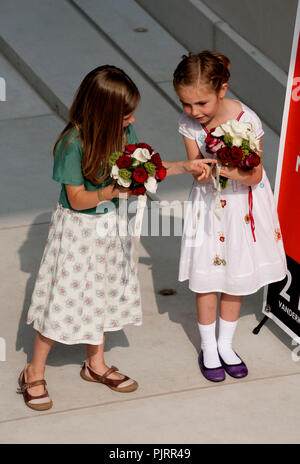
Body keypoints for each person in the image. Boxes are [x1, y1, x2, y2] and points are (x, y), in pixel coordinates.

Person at [18, 64, 214, 410]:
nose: (132, 117)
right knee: (64, 296)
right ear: (104, 112)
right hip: (79, 230)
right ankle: (33, 370)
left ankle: (95, 364)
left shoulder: (123, 132)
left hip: (113, 227)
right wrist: (112, 191)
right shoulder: (73, 143)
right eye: (126, 113)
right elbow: (77, 198)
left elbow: (146, 167)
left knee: (104, 291)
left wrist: (185, 167)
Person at [173, 51, 287, 382]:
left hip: (241, 206)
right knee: (208, 277)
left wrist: (224, 165)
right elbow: (197, 170)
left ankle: (226, 344)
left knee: (235, 274)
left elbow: (253, 176)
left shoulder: (247, 120)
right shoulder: (189, 124)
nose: (195, 113)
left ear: (222, 90)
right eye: (187, 104)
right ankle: (208, 347)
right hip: (210, 206)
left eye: (202, 104)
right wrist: (202, 168)